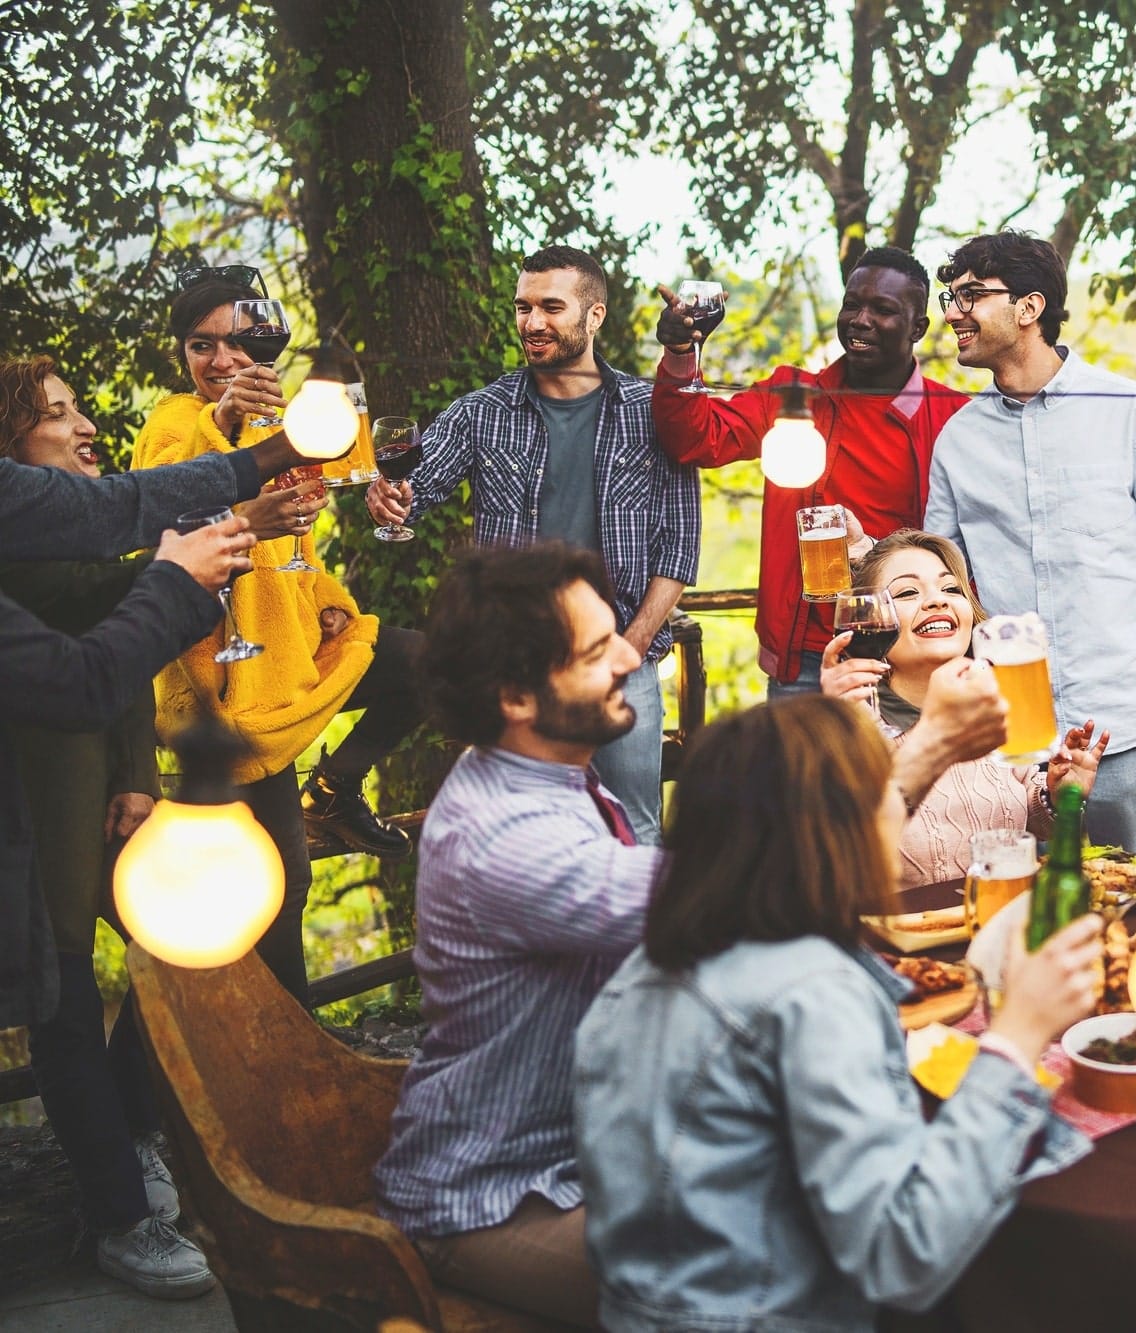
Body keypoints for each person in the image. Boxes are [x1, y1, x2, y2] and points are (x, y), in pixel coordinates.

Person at [374, 543, 1013, 1325]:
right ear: (515, 695)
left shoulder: (552, 771)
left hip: (618, 1145)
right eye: (595, 648)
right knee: (852, 1256)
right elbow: (738, 892)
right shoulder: (503, 838)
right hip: (503, 1194)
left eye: (618, 631)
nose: (627, 654)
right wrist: (929, 749)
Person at [573, 694, 1103, 1332]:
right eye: (883, 791)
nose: (899, 808)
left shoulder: (651, 966)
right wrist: (1018, 1037)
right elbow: (903, 1254)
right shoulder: (812, 993)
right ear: (835, 828)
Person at [133, 274, 424, 1006]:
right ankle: (221, 1057)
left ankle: (335, 785)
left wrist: (326, 600)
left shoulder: (289, 426)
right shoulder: (175, 423)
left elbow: (302, 548)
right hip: (228, 687)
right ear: (183, 354)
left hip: (292, 654)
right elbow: (161, 508)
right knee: (273, 880)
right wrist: (221, 427)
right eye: (203, 345)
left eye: (237, 340)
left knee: (428, 664)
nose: (223, 359)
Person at [0, 358, 225, 1298]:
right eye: (59, 415)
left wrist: (136, 777)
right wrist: (188, 552)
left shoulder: (91, 540)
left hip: (108, 783)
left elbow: (127, 664)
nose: (86, 425)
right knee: (60, 995)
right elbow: (95, 618)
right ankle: (119, 1216)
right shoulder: (25, 549)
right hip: (39, 795)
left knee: (184, 941)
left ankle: (135, 1125)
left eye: (83, 404)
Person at [366, 244, 703, 844]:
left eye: (551, 306)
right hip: (515, 667)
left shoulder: (652, 415)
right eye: (523, 308)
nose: (532, 322)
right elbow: (419, 484)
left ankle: (632, 942)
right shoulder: (482, 414)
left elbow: (679, 547)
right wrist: (390, 496)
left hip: (623, 656)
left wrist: (629, 646)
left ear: (594, 316)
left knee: (635, 828)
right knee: (516, 829)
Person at [924, 230, 1136, 851]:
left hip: (1134, 728)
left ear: (1029, 309)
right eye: (949, 296)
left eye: (970, 296)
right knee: (1025, 917)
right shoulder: (957, 440)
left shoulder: (1130, 410)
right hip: (1014, 745)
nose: (952, 312)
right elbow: (940, 576)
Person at [652, 246, 968, 696]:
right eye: (852, 305)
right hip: (807, 661)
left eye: (882, 309)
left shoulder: (953, 416)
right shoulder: (793, 397)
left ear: (918, 327)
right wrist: (682, 352)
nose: (860, 320)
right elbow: (694, 438)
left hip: (913, 656)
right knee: (801, 770)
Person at [820, 528, 1107, 885]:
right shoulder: (853, 723)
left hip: (1002, 921)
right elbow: (828, 850)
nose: (938, 601)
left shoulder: (993, 704)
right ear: (870, 623)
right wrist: (832, 731)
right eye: (908, 592)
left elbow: (1030, 819)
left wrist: (1056, 793)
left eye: (951, 588)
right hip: (906, 932)